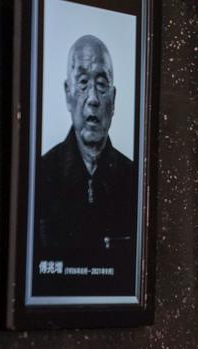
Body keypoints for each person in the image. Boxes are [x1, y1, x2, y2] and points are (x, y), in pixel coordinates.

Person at [36, 35, 137, 268]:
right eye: (83, 83)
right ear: (67, 93)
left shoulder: (134, 180)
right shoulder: (41, 175)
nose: (92, 99)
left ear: (113, 99)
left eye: (101, 85)